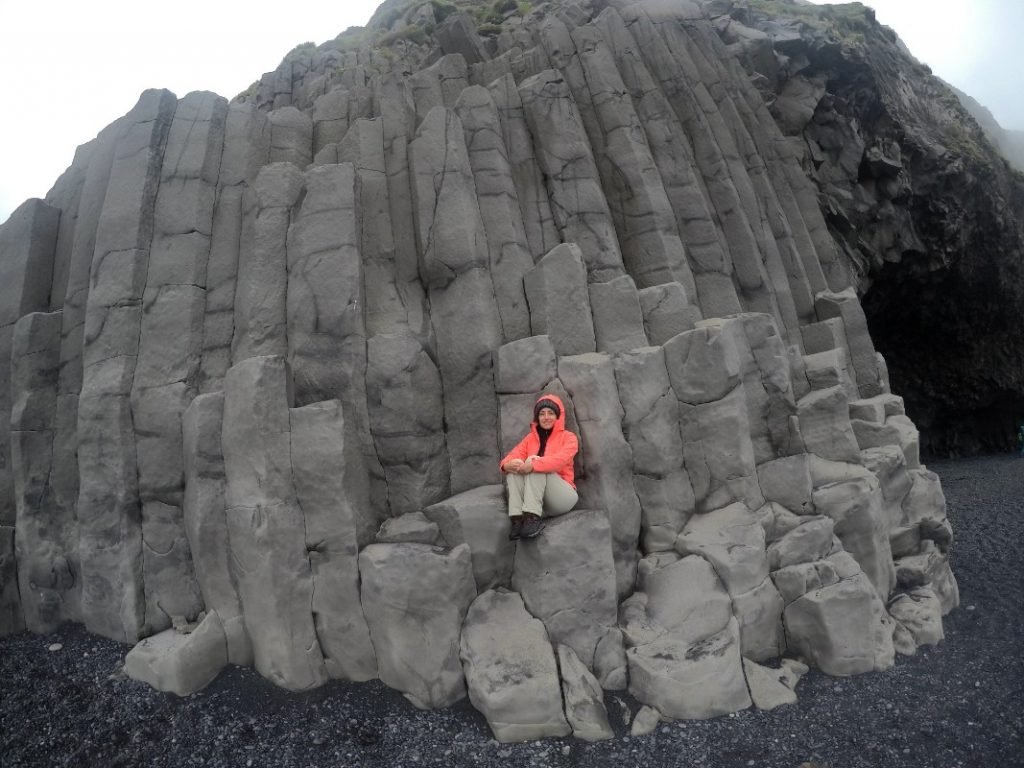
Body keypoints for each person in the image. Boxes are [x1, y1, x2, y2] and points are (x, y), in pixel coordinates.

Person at [499, 394, 579, 540]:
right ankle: (518, 519)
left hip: (563, 497)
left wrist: (533, 464)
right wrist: (507, 465)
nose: (546, 417)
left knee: (535, 464)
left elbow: (559, 461)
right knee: (514, 471)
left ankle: (532, 518)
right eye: (542, 414)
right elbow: (509, 458)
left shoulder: (568, 438)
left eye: (551, 413)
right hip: (541, 502)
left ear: (558, 416)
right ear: (537, 417)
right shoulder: (530, 439)